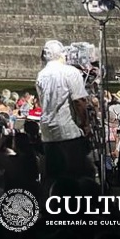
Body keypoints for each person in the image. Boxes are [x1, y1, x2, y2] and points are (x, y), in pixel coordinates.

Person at [34, 40, 92, 187]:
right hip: (68, 131)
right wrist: (85, 124)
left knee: (54, 177)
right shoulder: (70, 72)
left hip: (48, 132)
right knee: (74, 177)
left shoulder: (41, 75)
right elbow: (79, 101)